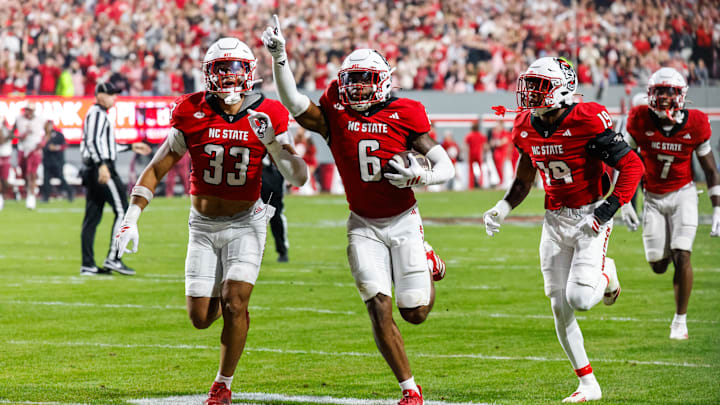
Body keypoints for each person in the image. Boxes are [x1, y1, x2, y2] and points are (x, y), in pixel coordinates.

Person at [261, 16, 452, 405]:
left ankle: (427, 257)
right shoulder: (336, 109)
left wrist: (419, 176)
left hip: (404, 221)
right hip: (363, 224)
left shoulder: (406, 111)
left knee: (414, 312)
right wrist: (280, 57)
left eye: (364, 78)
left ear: (382, 80)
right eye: (351, 79)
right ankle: (409, 390)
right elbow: (295, 103)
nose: (356, 86)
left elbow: (446, 165)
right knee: (378, 306)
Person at [113, 37, 308, 405]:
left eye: (235, 69)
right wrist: (131, 217)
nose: (229, 77)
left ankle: (223, 384)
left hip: (245, 222)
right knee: (201, 317)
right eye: (221, 69)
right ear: (208, 72)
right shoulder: (190, 110)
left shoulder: (269, 113)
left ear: (249, 73)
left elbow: (299, 177)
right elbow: (157, 168)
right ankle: (228, 292)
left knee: (235, 303)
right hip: (202, 226)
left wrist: (274, 145)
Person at [483, 57, 643, 403]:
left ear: (561, 89)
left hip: (590, 217)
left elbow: (632, 165)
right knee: (559, 304)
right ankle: (588, 383)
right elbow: (526, 174)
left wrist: (606, 210)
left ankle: (608, 274)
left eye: (538, 86)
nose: (529, 93)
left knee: (581, 299)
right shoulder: (525, 124)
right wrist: (503, 207)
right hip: (554, 220)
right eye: (529, 84)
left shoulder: (586, 119)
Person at [622, 67, 720, 340]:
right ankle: (663, 256)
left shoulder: (696, 123)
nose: (664, 97)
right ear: (650, 94)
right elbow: (625, 161)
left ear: (681, 94)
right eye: (659, 91)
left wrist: (717, 207)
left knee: (682, 254)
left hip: (683, 194)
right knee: (658, 265)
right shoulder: (640, 119)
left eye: (670, 91)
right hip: (652, 197)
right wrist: (626, 201)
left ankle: (680, 321)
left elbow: (710, 170)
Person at [79, 82, 151, 276]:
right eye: (111, 94)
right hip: (101, 168)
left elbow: (106, 145)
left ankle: (88, 264)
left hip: (95, 167)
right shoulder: (96, 114)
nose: (114, 98)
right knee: (123, 211)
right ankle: (114, 258)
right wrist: (102, 165)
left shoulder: (99, 115)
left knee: (92, 217)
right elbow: (93, 143)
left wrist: (130, 146)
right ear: (100, 95)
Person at [12, 103, 45, 210]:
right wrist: (20, 136)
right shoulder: (19, 119)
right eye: (26, 110)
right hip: (23, 148)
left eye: (29, 110)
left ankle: (31, 197)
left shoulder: (40, 119)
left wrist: (43, 142)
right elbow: (12, 133)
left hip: (34, 149)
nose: (27, 112)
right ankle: (29, 190)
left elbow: (49, 131)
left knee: (32, 173)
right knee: (25, 173)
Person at [261, 155, 289, 262]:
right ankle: (250, 252)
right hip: (256, 171)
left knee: (276, 216)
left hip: (273, 172)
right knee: (250, 216)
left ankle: (282, 250)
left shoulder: (282, 138)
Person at [40, 120, 73, 202]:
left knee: (61, 178)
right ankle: (46, 197)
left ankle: (70, 192)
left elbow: (65, 145)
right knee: (46, 180)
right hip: (47, 161)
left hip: (57, 161)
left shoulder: (58, 134)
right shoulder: (44, 136)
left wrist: (56, 148)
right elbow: (42, 146)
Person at [464, 120, 487, 189]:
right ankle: (481, 183)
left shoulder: (469, 135)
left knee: (471, 171)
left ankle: (471, 185)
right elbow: (485, 146)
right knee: (480, 169)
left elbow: (465, 146)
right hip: (479, 154)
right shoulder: (482, 135)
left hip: (471, 154)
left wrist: (466, 155)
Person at [0, 117, 12, 211]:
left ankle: (3, 197)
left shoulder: (7, 131)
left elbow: (2, 141)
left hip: (5, 157)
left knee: (4, 180)